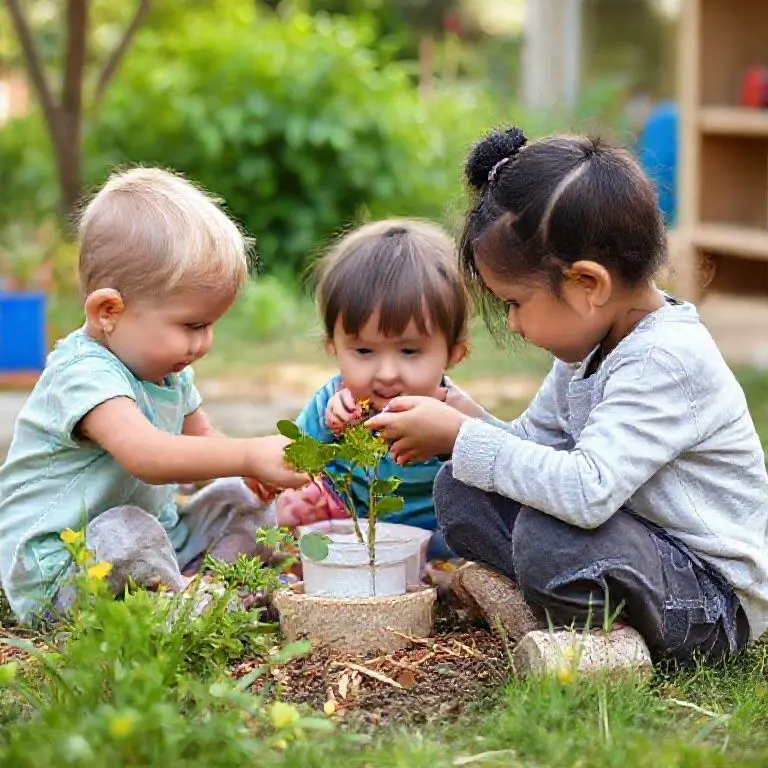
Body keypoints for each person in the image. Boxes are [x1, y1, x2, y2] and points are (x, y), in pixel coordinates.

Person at [368, 128, 768, 665]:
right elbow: (530, 449)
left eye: (514, 302)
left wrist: (461, 435)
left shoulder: (664, 360)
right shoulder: (590, 347)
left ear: (588, 284)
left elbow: (585, 490)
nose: (512, 322)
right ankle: (565, 613)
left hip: (708, 601)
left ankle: (612, 647)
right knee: (459, 491)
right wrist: (459, 417)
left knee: (547, 534)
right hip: (632, 546)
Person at [0, 168, 307, 626]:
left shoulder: (167, 371)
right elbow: (149, 455)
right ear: (109, 311)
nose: (204, 343)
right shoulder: (83, 374)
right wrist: (247, 454)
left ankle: (207, 584)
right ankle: (183, 602)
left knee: (236, 499)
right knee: (126, 529)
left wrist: (251, 475)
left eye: (210, 325)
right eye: (192, 325)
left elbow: (204, 440)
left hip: (154, 539)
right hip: (69, 568)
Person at [273, 219, 476, 559]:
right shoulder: (333, 399)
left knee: (471, 535)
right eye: (364, 351)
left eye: (410, 351)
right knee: (295, 504)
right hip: (348, 530)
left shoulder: (454, 412)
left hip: (429, 536)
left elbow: (488, 472)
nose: (386, 374)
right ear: (333, 347)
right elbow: (289, 459)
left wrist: (448, 440)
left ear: (454, 353)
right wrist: (327, 430)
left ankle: (440, 576)